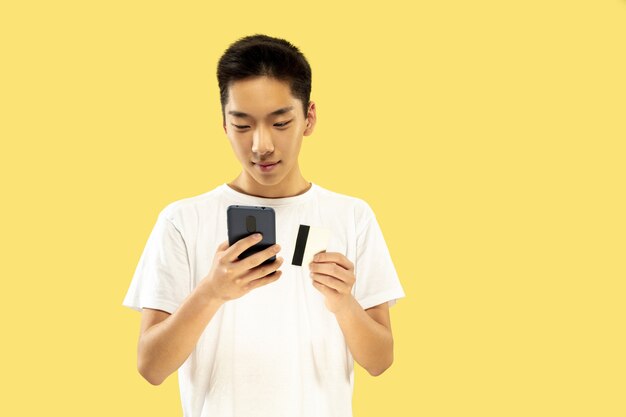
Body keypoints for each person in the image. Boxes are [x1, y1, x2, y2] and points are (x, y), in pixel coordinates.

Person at [122, 33, 406, 417]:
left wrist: (343, 304)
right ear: (224, 124)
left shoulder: (352, 216)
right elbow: (151, 367)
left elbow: (380, 360)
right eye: (242, 126)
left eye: (280, 122)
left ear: (309, 118)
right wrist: (211, 292)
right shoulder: (181, 221)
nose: (261, 145)